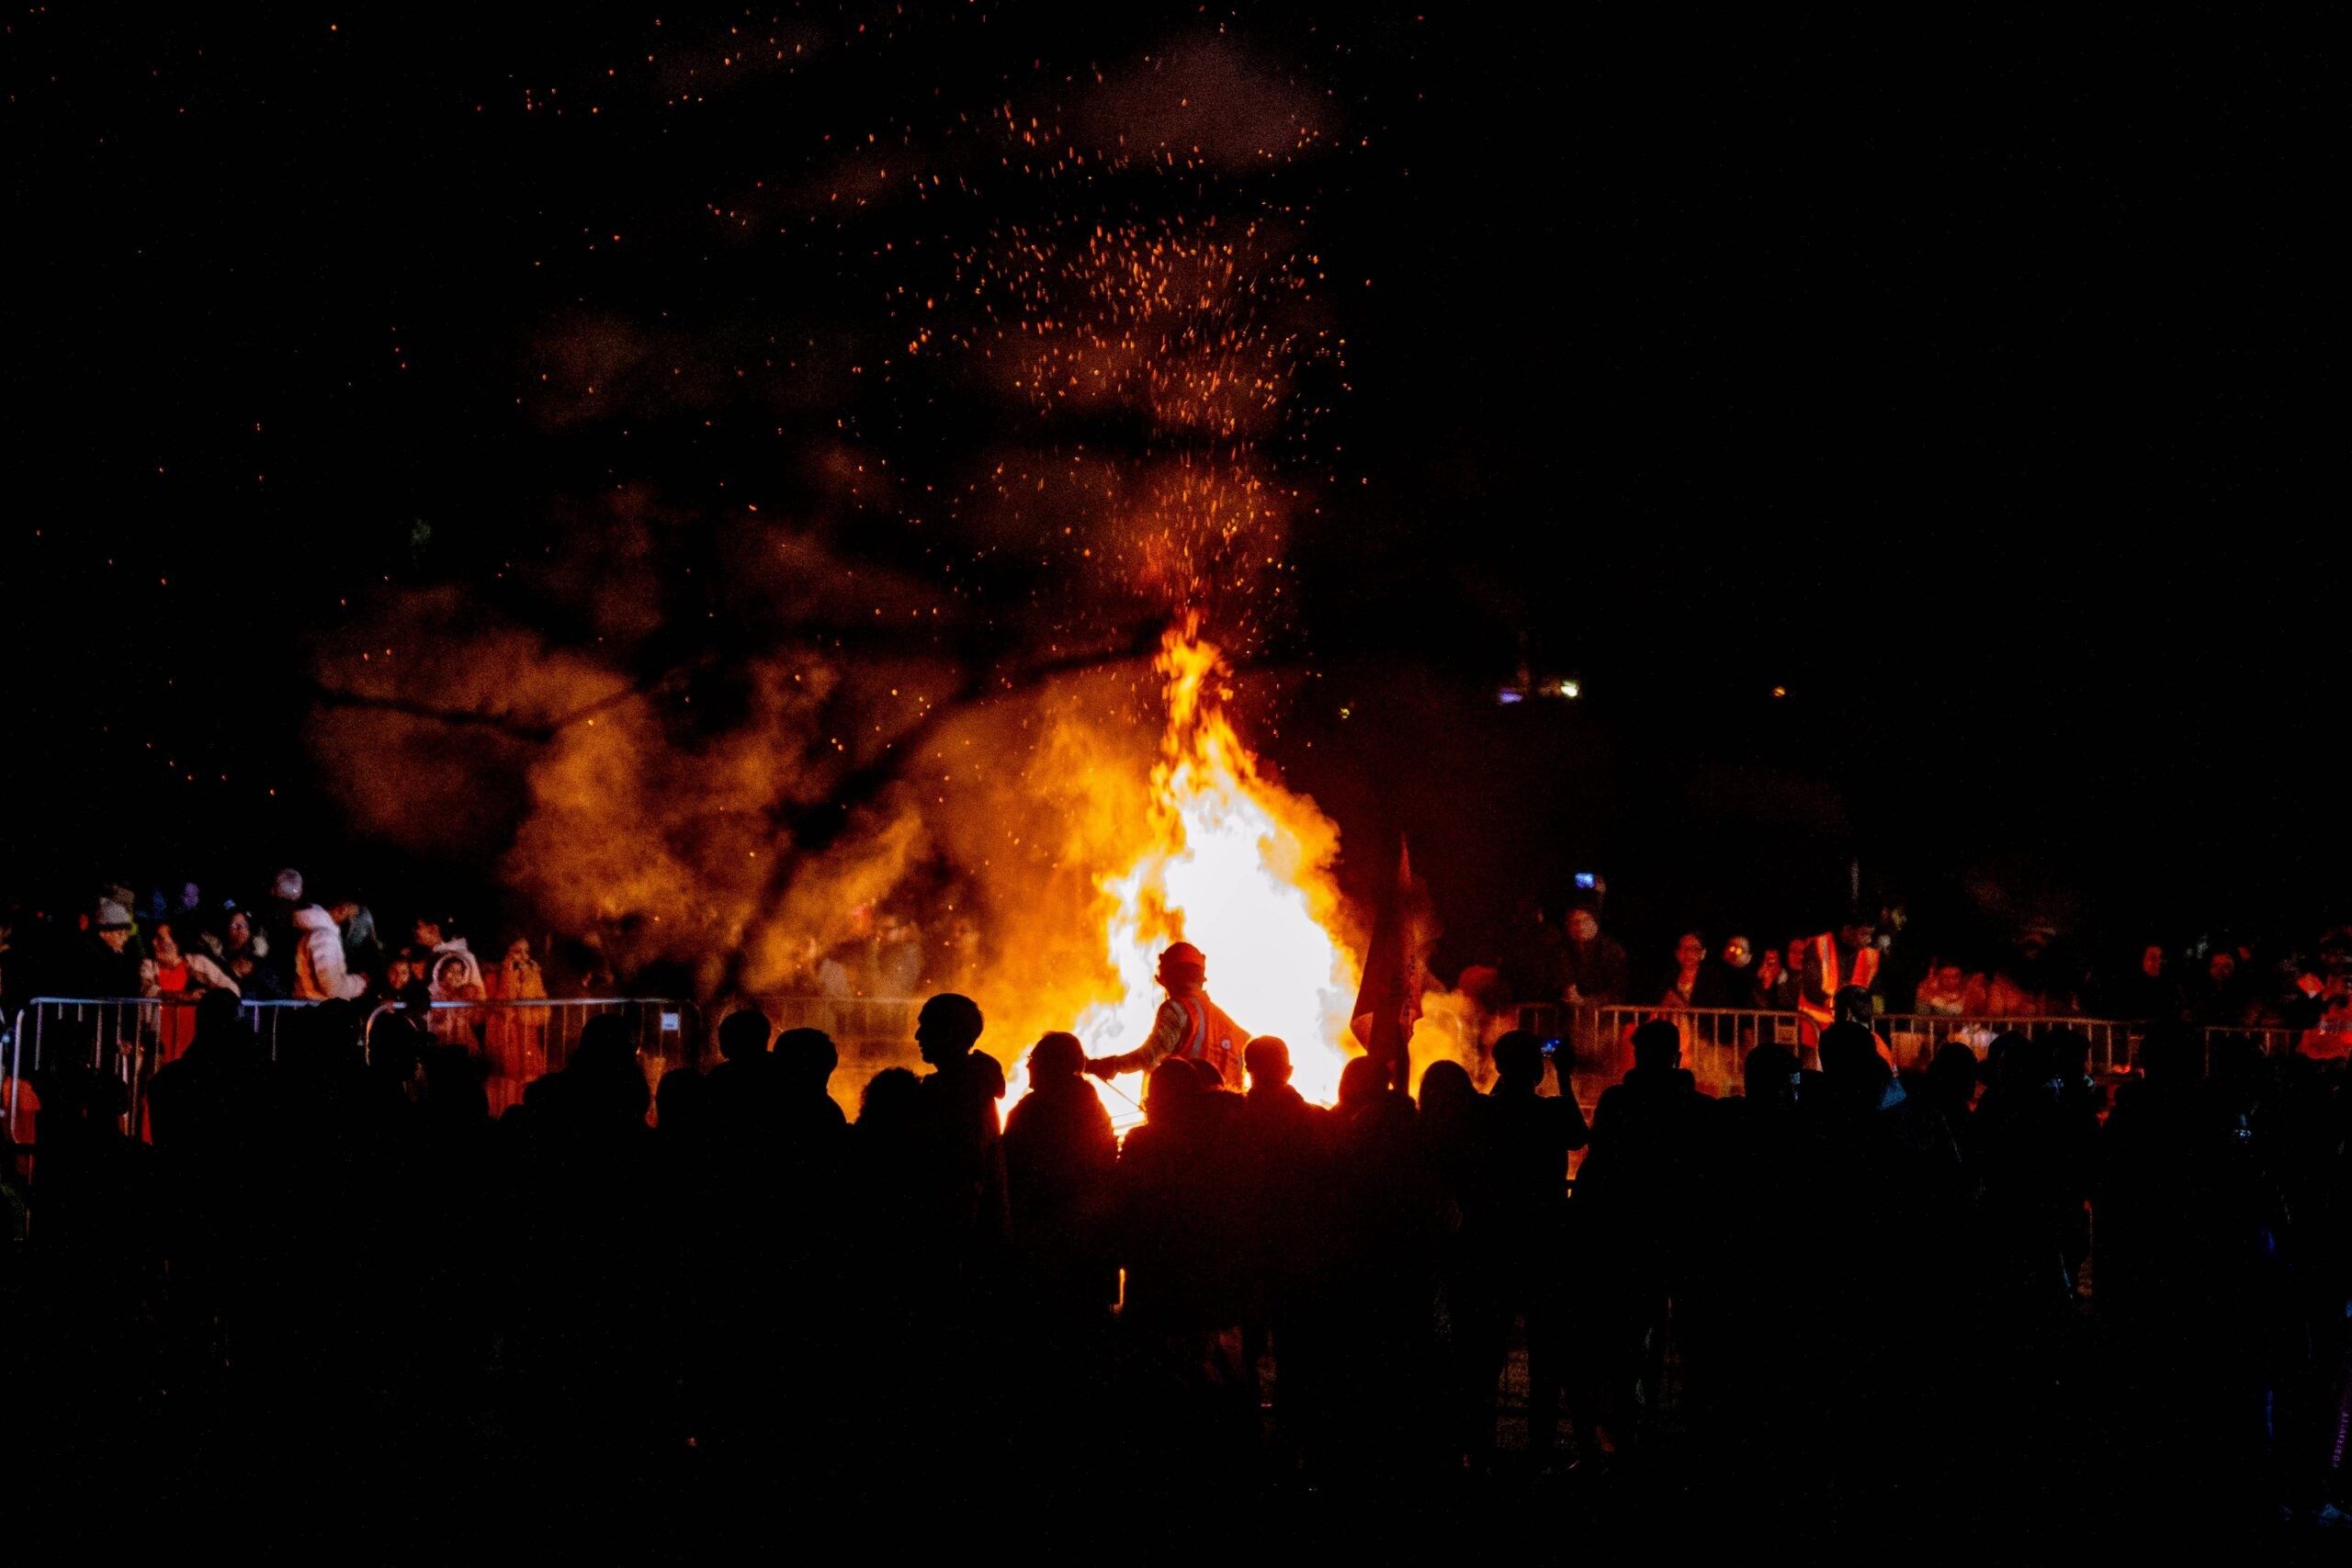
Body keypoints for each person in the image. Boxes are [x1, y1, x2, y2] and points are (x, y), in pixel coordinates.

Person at [1086, 942, 1250, 1089]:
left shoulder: (1177, 1009)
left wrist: (1110, 1065)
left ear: (1169, 978)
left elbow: (1150, 1056)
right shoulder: (1237, 1033)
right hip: (1226, 1119)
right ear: (1201, 978)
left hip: (1183, 1115)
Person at [1794, 915, 1882, 1043]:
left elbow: (1877, 992)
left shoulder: (1870, 956)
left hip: (1851, 1032)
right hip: (1816, 1030)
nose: (1868, 940)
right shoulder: (1819, 945)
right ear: (1847, 930)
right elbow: (1811, 989)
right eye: (1863, 934)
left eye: (1870, 934)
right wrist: (1843, 1005)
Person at [291, 897, 368, 1000]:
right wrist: (360, 983)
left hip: (306, 1002)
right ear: (343, 909)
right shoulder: (325, 936)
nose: (352, 921)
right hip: (314, 1006)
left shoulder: (312, 927)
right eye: (352, 915)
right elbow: (331, 987)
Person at [1561, 904, 1630, 1008]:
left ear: (1595, 923)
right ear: (1568, 926)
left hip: (1606, 1017)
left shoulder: (1612, 950)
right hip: (1569, 1018)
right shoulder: (1562, 950)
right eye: (1574, 922)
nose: (1580, 926)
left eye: (1586, 920)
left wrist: (1586, 1001)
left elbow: (1618, 991)